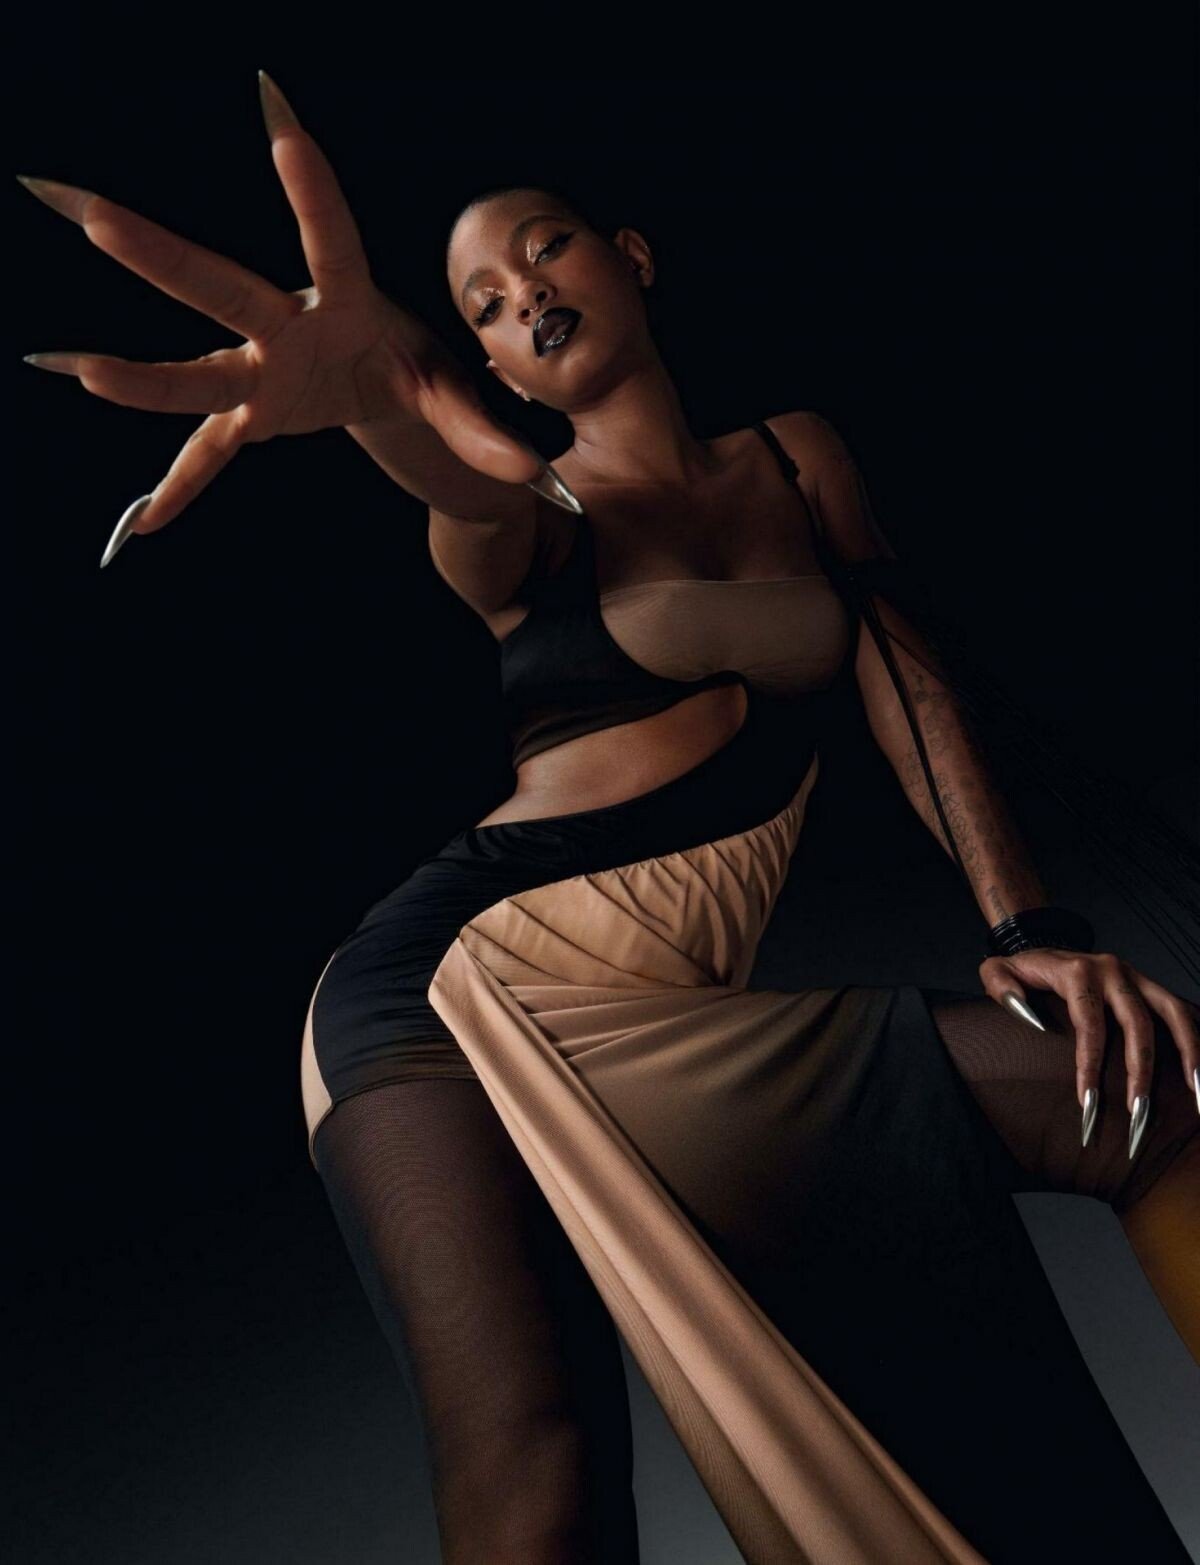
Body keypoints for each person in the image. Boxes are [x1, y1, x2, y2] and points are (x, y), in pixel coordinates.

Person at [21, 72, 1197, 1565]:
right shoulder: (518, 513)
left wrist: (1029, 926)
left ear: (629, 255)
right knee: (541, 1476)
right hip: (441, 1000)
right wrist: (382, 400)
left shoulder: (794, 455)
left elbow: (908, 680)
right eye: (484, 304)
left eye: (545, 251)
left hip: (655, 1021)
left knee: (1152, 1094)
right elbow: (459, 481)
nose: (524, 295)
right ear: (486, 362)